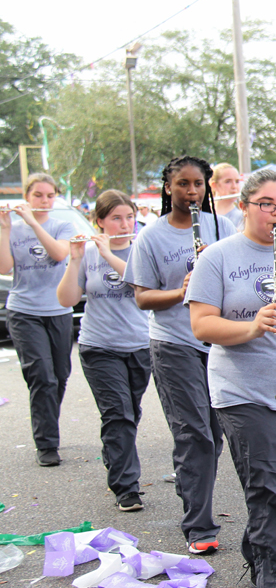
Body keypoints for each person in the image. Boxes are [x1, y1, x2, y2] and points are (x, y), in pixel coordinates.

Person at [188, 169, 276, 588]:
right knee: (272, 491)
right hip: (242, 391)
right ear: (243, 206)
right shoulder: (218, 257)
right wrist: (254, 326)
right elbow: (202, 325)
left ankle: (258, 554)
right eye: (267, 204)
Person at [124, 155, 236, 554]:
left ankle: (194, 490)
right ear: (167, 187)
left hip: (218, 342)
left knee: (215, 433)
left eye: (198, 184)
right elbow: (142, 297)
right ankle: (199, 526)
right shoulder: (151, 237)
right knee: (195, 437)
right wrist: (182, 289)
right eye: (183, 184)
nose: (191, 192)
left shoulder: (221, 227)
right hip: (173, 344)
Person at [57, 190, 151, 509]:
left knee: (129, 413)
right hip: (99, 347)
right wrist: (75, 258)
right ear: (99, 222)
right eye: (116, 218)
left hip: (140, 345)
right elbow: (67, 300)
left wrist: (109, 253)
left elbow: (137, 281)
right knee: (119, 413)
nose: (125, 223)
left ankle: (115, 454)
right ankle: (127, 488)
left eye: (129, 217)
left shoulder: (142, 250)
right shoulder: (88, 252)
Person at [0, 173, 76, 467]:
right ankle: (46, 442)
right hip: (24, 311)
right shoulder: (14, 227)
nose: (44, 201)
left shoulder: (62, 225)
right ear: (26, 196)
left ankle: (48, 426)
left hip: (58, 310)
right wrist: (5, 228)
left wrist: (33, 222)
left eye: (49, 195)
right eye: (38, 195)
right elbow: (5, 267)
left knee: (59, 375)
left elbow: (58, 254)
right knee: (41, 376)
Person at [210, 163, 242, 228]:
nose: (234, 186)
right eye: (228, 181)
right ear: (214, 185)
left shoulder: (242, 217)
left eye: (237, 181)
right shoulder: (202, 215)